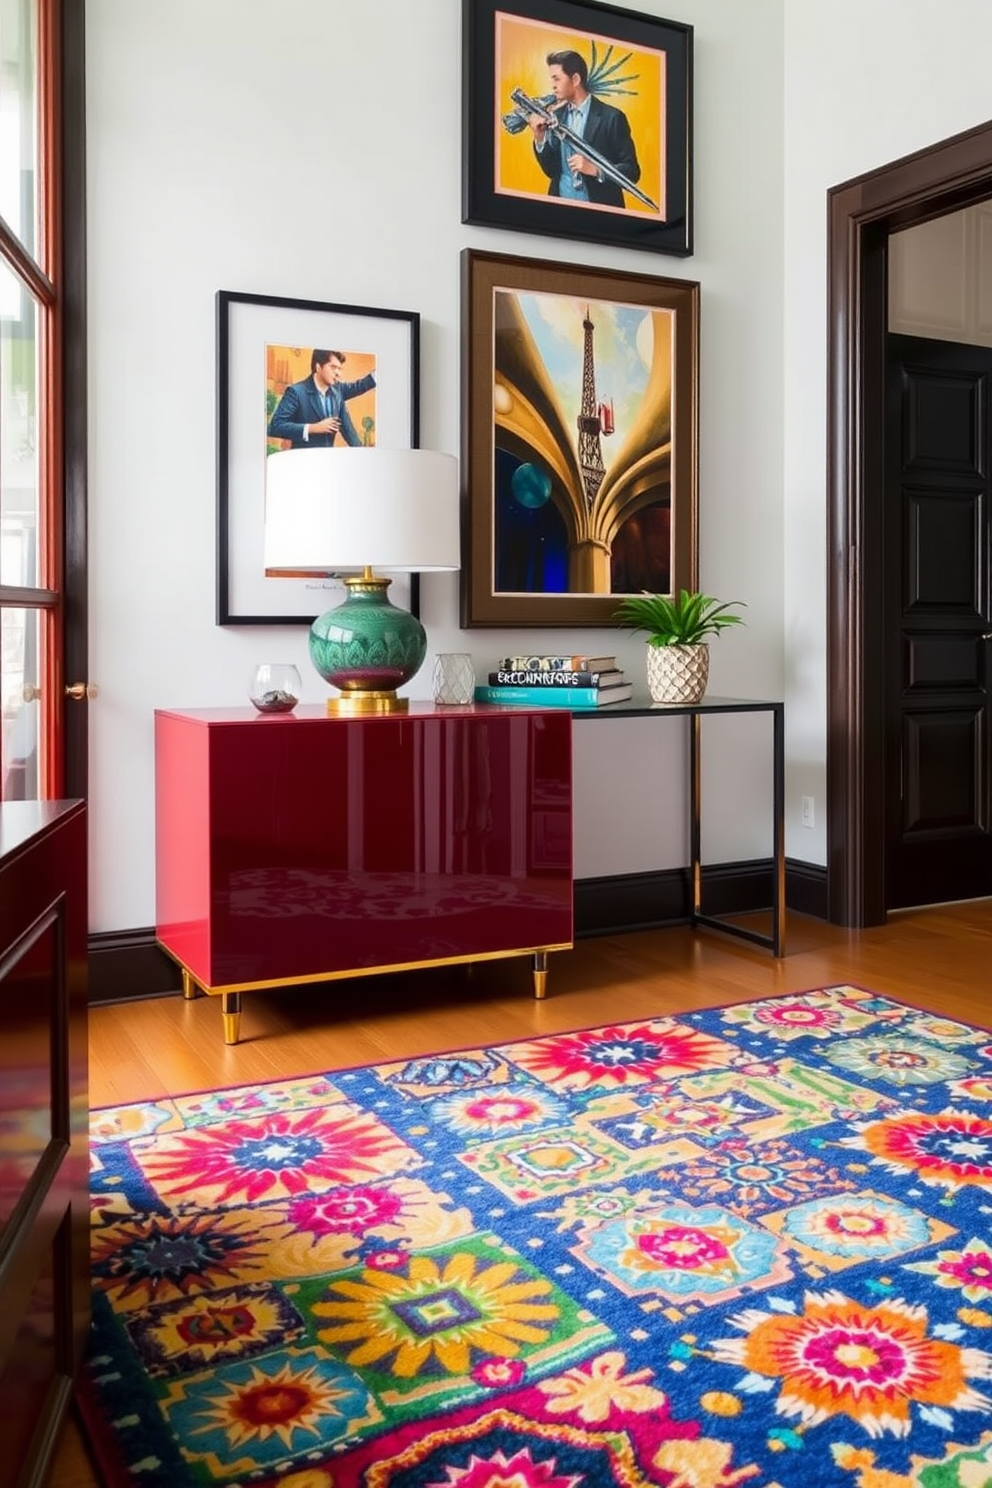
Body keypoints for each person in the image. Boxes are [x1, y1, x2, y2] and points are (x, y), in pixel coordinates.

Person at [528, 49, 640, 210]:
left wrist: (596, 170)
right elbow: (552, 171)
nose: (553, 86)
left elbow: (632, 172)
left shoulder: (612, 118)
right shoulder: (555, 116)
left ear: (575, 79)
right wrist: (539, 138)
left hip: (600, 216)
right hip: (560, 209)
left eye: (557, 79)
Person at [267, 349, 375, 449]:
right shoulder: (296, 392)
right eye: (333, 367)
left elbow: (360, 386)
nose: (338, 373)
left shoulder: (338, 391)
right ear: (318, 367)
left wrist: (361, 453)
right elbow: (275, 426)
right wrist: (313, 428)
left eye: (339, 368)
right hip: (304, 462)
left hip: (328, 462)